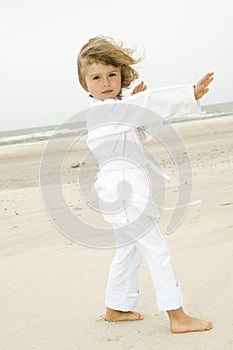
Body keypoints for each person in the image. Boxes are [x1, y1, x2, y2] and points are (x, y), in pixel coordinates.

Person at [77, 35, 214, 333]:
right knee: (156, 250)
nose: (105, 82)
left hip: (122, 196)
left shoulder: (118, 110)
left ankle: (116, 307)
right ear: (85, 84)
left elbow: (142, 133)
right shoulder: (102, 112)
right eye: (96, 77)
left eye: (112, 74)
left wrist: (137, 106)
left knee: (129, 250)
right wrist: (189, 94)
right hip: (124, 196)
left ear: (121, 76)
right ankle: (177, 315)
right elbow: (146, 106)